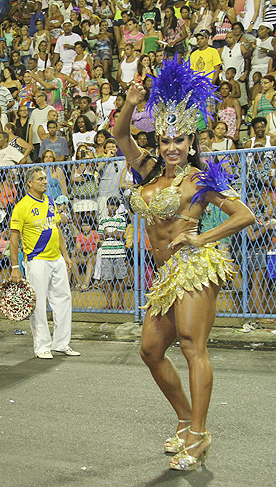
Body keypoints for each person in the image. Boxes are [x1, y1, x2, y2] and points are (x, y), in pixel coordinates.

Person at [113, 57, 256, 471]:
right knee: (151, 350)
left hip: (195, 265)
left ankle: (198, 434)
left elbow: (244, 215)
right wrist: (131, 101)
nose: (171, 148)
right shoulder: (146, 172)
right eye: (164, 140)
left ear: (190, 142)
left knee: (193, 347)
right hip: (165, 274)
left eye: (179, 141)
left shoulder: (198, 178)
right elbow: (120, 133)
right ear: (157, 142)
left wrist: (199, 236)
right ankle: (182, 417)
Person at [9, 167, 80, 359]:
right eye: (40, 179)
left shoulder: (50, 202)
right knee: (38, 304)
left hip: (56, 258)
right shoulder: (21, 207)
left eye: (45, 179)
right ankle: (42, 346)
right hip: (37, 260)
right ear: (30, 183)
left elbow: (57, 229)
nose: (45, 182)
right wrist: (15, 267)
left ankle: (61, 343)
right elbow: (14, 240)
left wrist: (65, 255)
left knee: (64, 300)